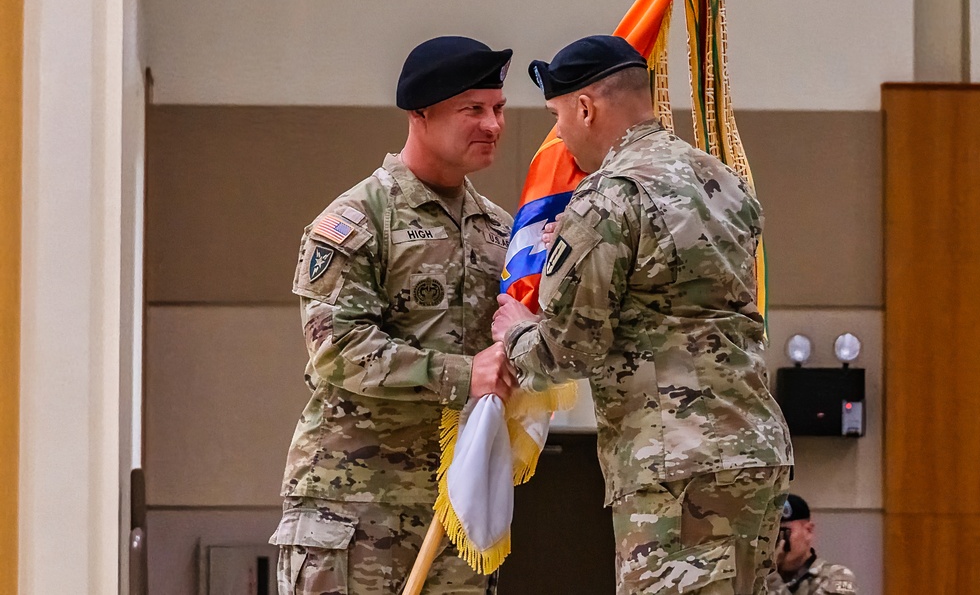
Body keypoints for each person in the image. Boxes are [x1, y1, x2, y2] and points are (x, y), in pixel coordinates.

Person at [492, 35, 793, 595]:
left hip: (672, 462)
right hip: (754, 450)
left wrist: (514, 335)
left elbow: (569, 349)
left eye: (558, 117)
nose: (559, 135)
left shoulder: (608, 197)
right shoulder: (724, 183)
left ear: (585, 108)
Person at [270, 35, 519, 595]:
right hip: (354, 505)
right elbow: (337, 351)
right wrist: (461, 374)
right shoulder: (358, 221)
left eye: (498, 108)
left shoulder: (501, 232)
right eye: (472, 109)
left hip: (454, 505)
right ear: (421, 114)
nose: (493, 124)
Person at [766, 494, 857, 595]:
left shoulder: (834, 577)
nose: (777, 541)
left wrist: (771, 575)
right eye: (771, 534)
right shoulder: (755, 579)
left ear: (808, 530)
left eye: (784, 532)